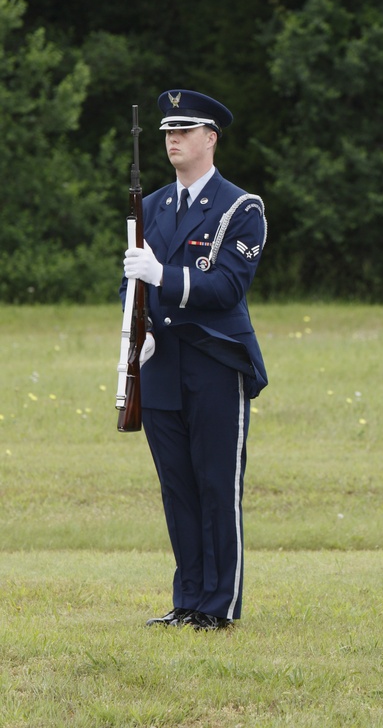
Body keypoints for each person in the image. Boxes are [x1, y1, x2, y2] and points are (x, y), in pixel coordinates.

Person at [122, 89, 267, 631]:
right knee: (176, 484)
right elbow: (129, 282)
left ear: (211, 138)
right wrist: (138, 328)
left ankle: (218, 603)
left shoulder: (240, 207)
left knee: (215, 482)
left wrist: (164, 278)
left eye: (184, 131)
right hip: (161, 360)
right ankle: (187, 598)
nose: (172, 140)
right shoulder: (152, 205)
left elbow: (227, 286)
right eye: (167, 132)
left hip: (213, 360)